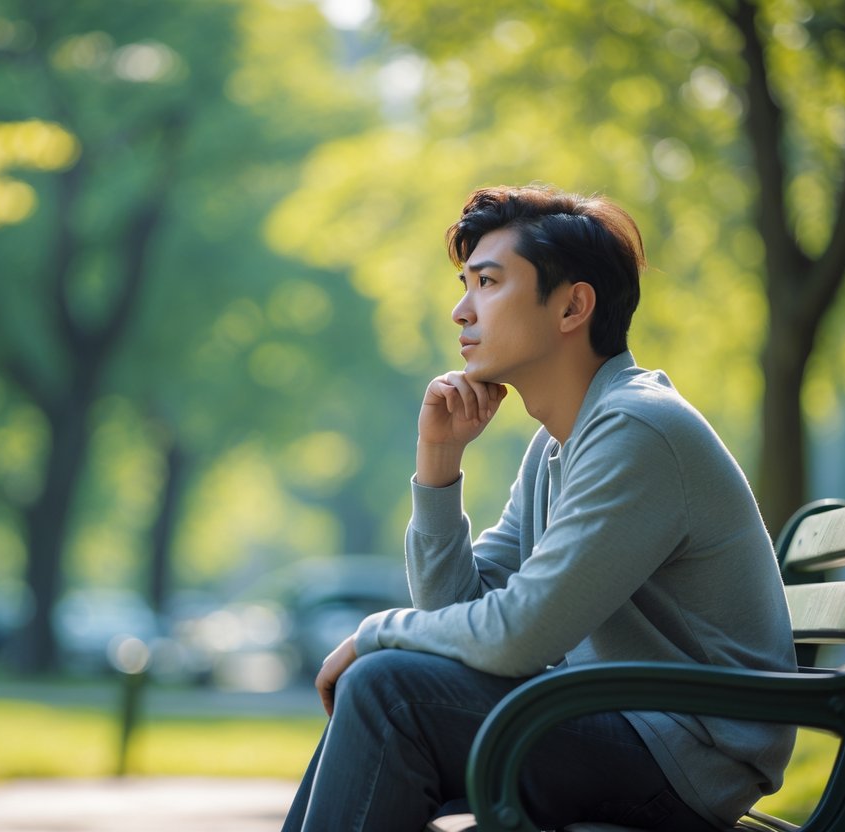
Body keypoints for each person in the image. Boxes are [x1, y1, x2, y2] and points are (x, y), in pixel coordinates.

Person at [281, 184, 796, 832]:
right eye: (464, 283)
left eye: (487, 283)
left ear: (572, 306)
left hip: (682, 758)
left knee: (386, 688)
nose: (459, 311)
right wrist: (438, 464)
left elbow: (519, 635)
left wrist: (372, 631)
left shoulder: (637, 430)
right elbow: (458, 617)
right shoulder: (563, 442)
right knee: (387, 683)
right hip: (620, 727)